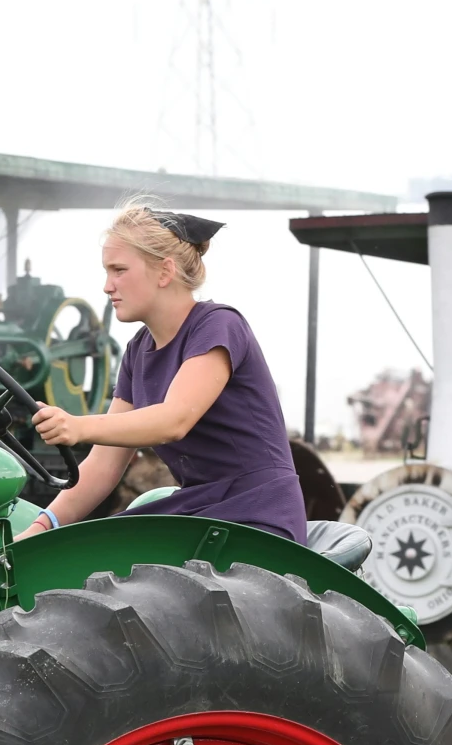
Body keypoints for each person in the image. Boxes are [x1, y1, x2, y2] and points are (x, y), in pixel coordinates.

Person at [17, 202, 308, 545]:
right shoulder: (138, 351)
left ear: (164, 272)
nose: (107, 286)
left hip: (256, 514)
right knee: (76, 551)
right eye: (107, 271)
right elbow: (103, 467)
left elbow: (174, 420)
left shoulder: (218, 326)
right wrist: (41, 527)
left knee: (103, 557)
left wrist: (78, 426)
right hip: (203, 509)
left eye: (119, 270)